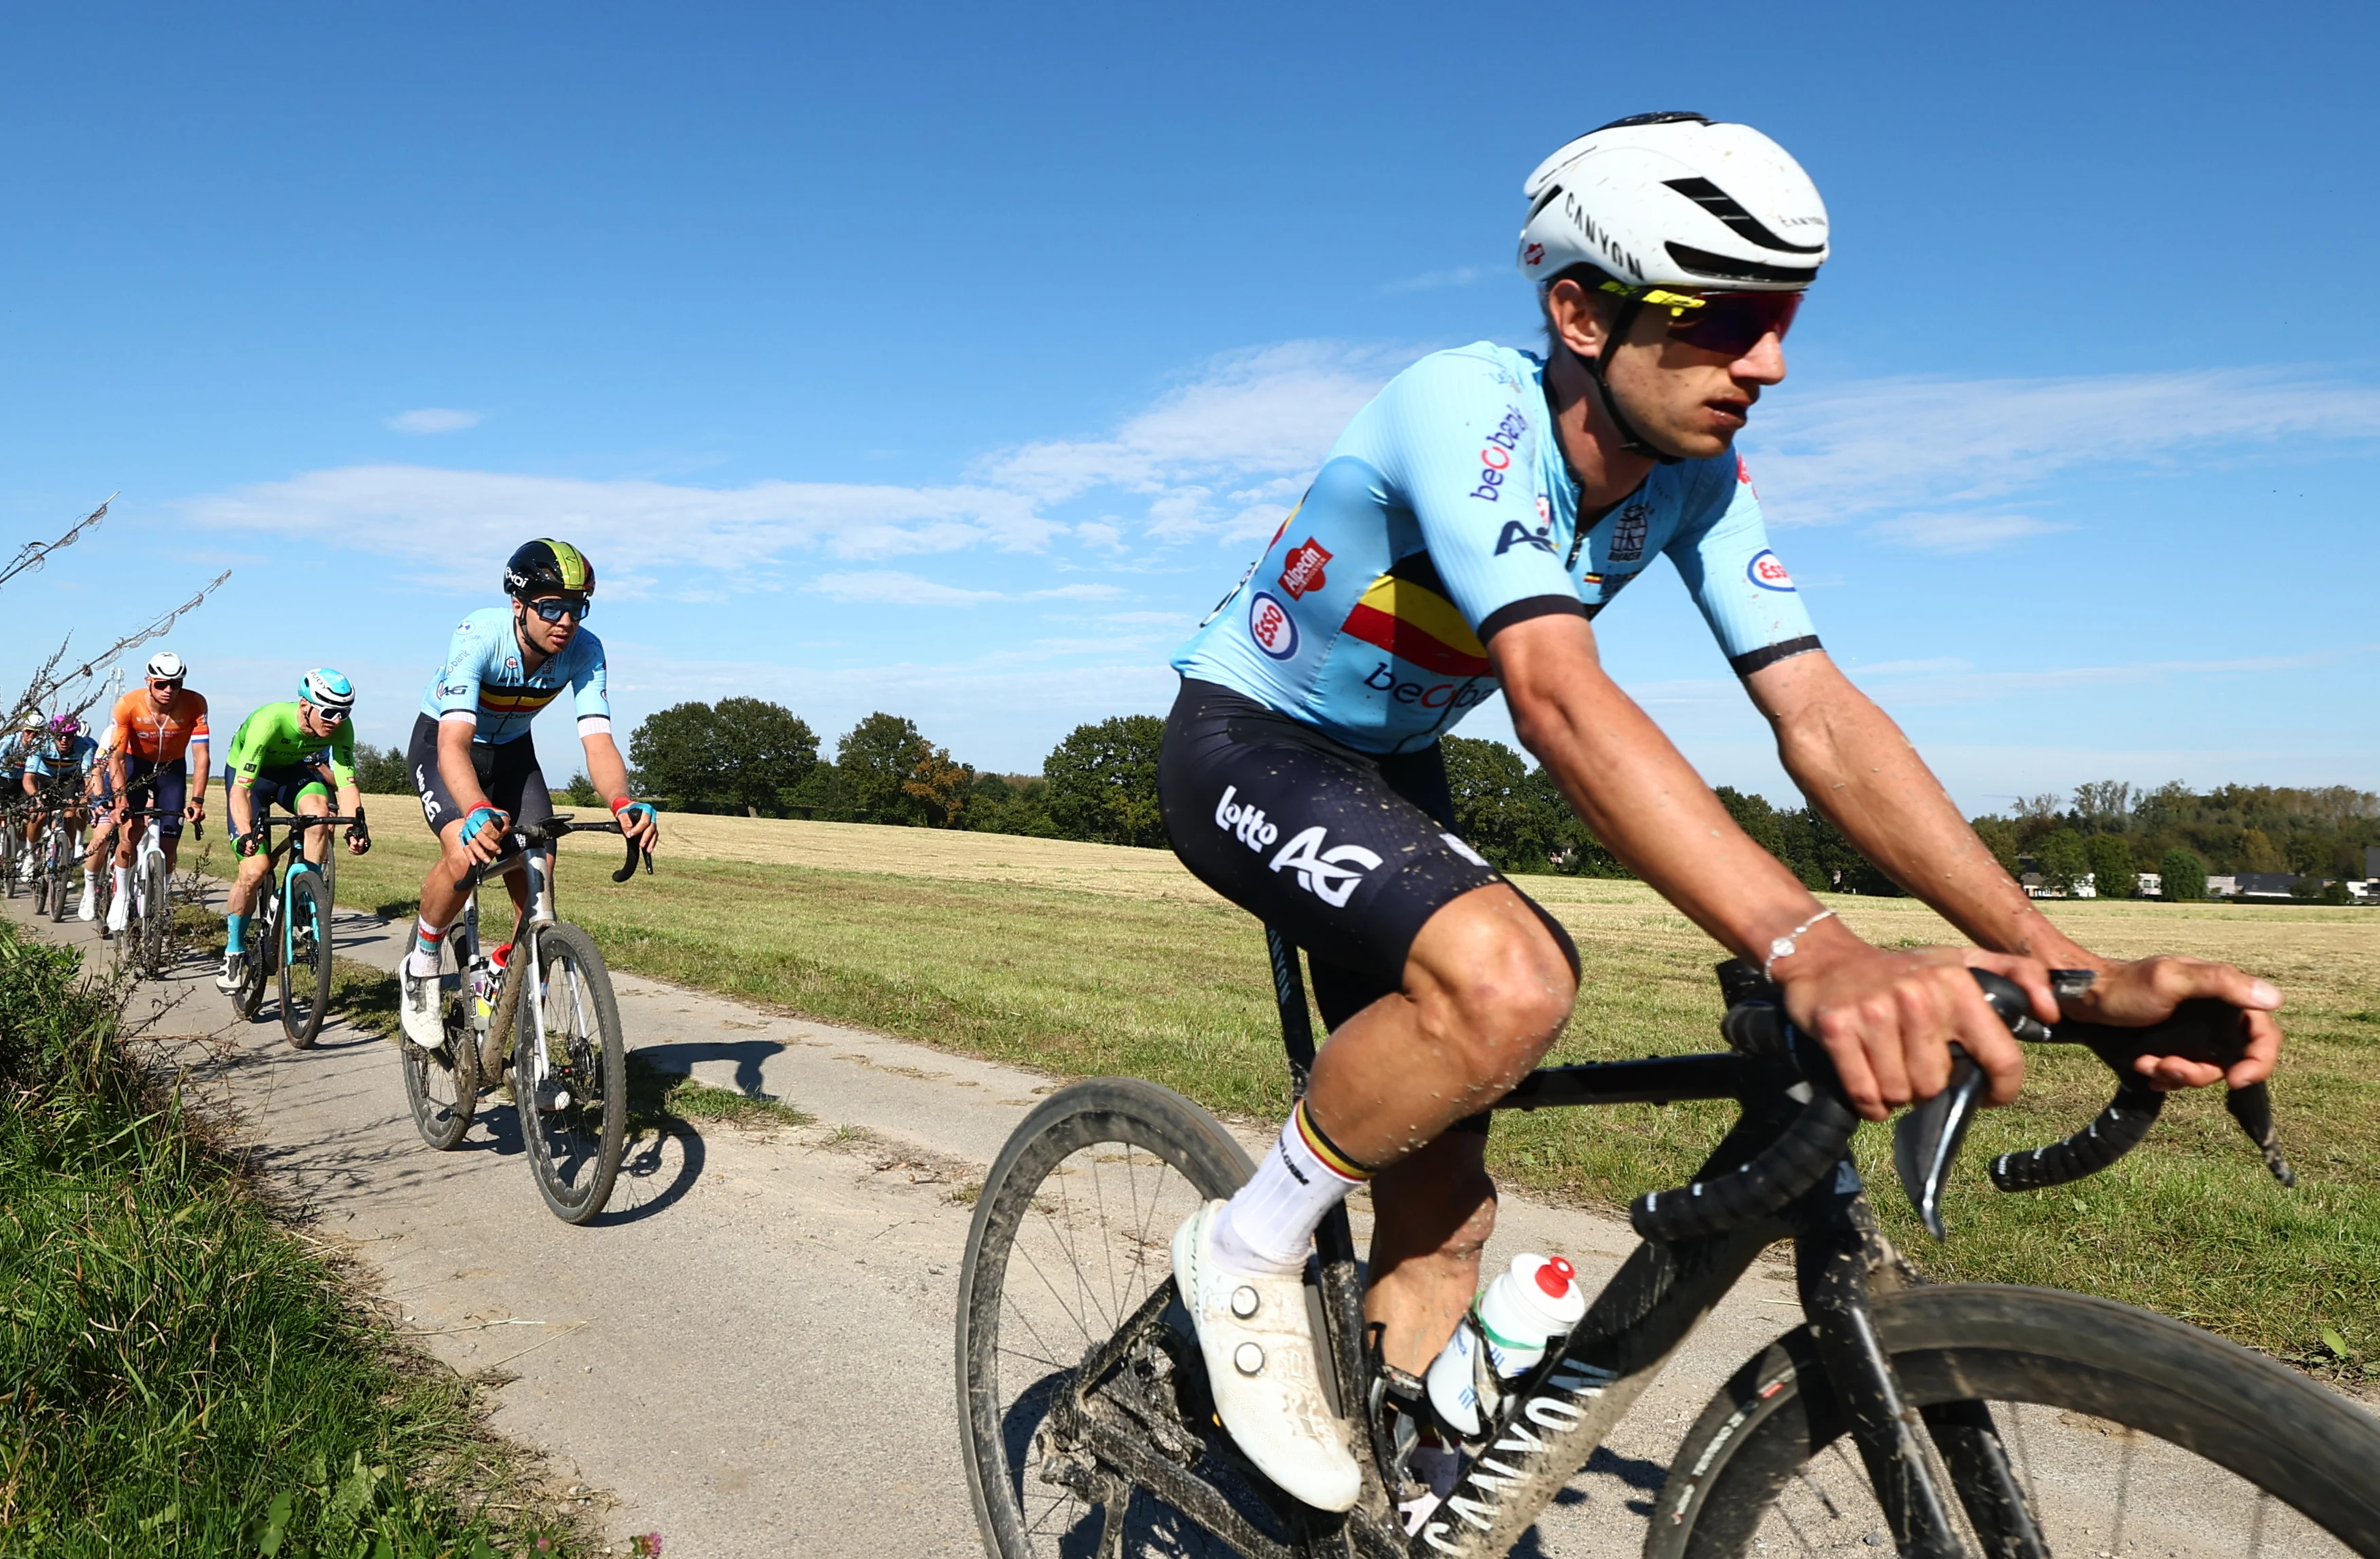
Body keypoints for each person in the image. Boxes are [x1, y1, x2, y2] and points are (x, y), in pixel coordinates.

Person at [1155, 112, 2287, 1514]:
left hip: (1392, 772)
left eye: (1786, 317)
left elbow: (1815, 712)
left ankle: (1395, 1495)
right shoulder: (1466, 409)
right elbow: (1557, 694)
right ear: (1580, 310)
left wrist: (2063, 961)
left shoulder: (1693, 481)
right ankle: (1249, 1244)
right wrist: (1811, 945)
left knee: (1448, 1208)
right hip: (1252, 739)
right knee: (1515, 980)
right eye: (1726, 319)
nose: (1772, 361)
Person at [395, 539, 657, 1051]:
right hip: (445, 743)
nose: (566, 621)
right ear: (519, 605)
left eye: (577, 608)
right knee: (463, 853)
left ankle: (509, 990)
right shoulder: (480, 635)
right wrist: (472, 810)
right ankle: (422, 963)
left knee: (539, 876)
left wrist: (623, 802)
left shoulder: (586, 651)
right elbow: (453, 743)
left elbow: (598, 741)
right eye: (552, 607)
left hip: (514, 753)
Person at [216, 670, 372, 993]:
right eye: (329, 712)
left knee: (319, 815)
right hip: (251, 780)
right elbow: (240, 792)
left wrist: (355, 824)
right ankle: (233, 949)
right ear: (305, 705)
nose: (336, 721)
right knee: (255, 870)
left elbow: (346, 783)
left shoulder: (340, 729)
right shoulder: (269, 722)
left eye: (344, 713)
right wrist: (246, 833)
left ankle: (305, 891)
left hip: (292, 775)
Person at [103, 651, 210, 934]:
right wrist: (120, 798)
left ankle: (159, 901)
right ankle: (122, 894)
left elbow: (202, 757)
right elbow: (115, 757)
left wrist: (198, 800)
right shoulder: (128, 705)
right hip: (135, 765)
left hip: (172, 771)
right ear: (149, 680)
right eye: (162, 684)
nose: (169, 690)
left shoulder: (195, 703)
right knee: (131, 832)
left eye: (175, 684)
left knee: (170, 844)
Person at [22, 713, 103, 911]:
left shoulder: (84, 746)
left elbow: (87, 781)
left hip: (68, 779)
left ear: (76, 735)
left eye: (69, 736)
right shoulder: (40, 744)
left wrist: (84, 801)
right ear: (53, 735)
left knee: (70, 814)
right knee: (40, 814)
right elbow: (28, 779)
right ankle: (30, 856)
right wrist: (36, 797)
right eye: (60, 736)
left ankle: (65, 860)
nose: (64, 740)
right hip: (44, 778)